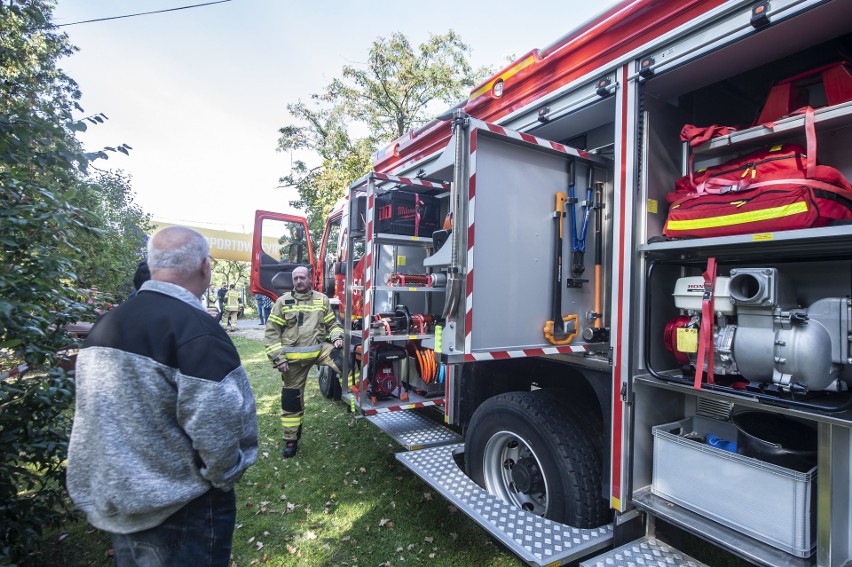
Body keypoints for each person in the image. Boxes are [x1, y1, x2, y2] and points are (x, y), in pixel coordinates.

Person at [66, 226, 258, 567]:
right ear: (205, 267)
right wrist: (224, 477)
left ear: (153, 266)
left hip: (120, 502)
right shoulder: (195, 331)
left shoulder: (106, 325)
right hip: (183, 511)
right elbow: (217, 427)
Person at [264, 265, 343, 458]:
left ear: (310, 279)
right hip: (292, 362)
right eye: (296, 278)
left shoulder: (321, 299)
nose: (299, 281)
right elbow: (271, 332)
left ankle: (358, 397)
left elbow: (333, 323)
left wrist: (337, 337)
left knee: (346, 362)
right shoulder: (283, 302)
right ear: (293, 281)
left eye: (302, 278)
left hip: (318, 351)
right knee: (291, 400)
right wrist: (278, 358)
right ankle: (291, 440)